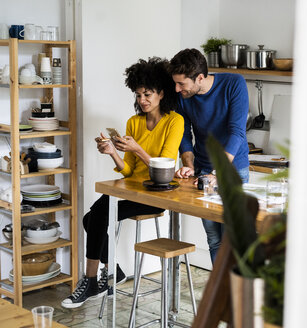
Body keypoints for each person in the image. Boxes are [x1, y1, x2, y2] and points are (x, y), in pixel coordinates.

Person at [61, 57, 184, 308]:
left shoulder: (175, 121)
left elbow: (166, 170)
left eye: (148, 94)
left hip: (156, 194)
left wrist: (137, 148)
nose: (142, 100)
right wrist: (113, 152)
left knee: (95, 216)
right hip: (133, 189)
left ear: (161, 93)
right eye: (138, 95)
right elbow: (128, 172)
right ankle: (112, 270)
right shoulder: (134, 121)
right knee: (91, 218)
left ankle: (91, 279)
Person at [169, 48, 250, 263]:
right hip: (204, 171)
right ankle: (219, 294)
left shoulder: (234, 84)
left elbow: (237, 132)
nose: (177, 89)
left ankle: (234, 294)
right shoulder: (184, 96)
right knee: (215, 240)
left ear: (200, 78)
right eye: (175, 83)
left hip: (233, 170)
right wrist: (189, 164)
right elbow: (185, 133)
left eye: (182, 84)